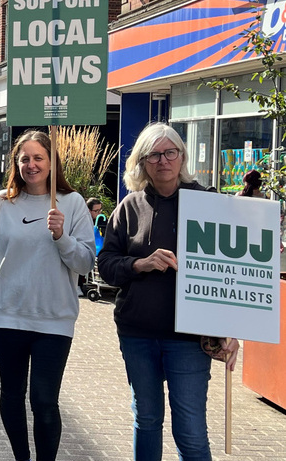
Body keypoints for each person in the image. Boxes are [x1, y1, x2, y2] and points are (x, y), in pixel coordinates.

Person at [97, 122, 239, 461]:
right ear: (143, 163)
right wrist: (139, 264)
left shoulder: (209, 203)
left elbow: (232, 274)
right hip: (138, 333)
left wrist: (232, 330)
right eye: (154, 155)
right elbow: (106, 265)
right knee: (146, 420)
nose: (163, 160)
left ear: (182, 156)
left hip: (188, 338)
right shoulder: (130, 207)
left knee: (190, 431)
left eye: (170, 152)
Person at [0, 130, 95, 461]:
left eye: (38, 157)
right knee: (12, 395)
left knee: (44, 399)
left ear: (52, 162)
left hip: (54, 320)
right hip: (7, 316)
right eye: (24, 158)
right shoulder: (2, 203)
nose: (31, 164)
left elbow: (85, 262)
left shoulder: (73, 203)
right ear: (16, 163)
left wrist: (61, 236)